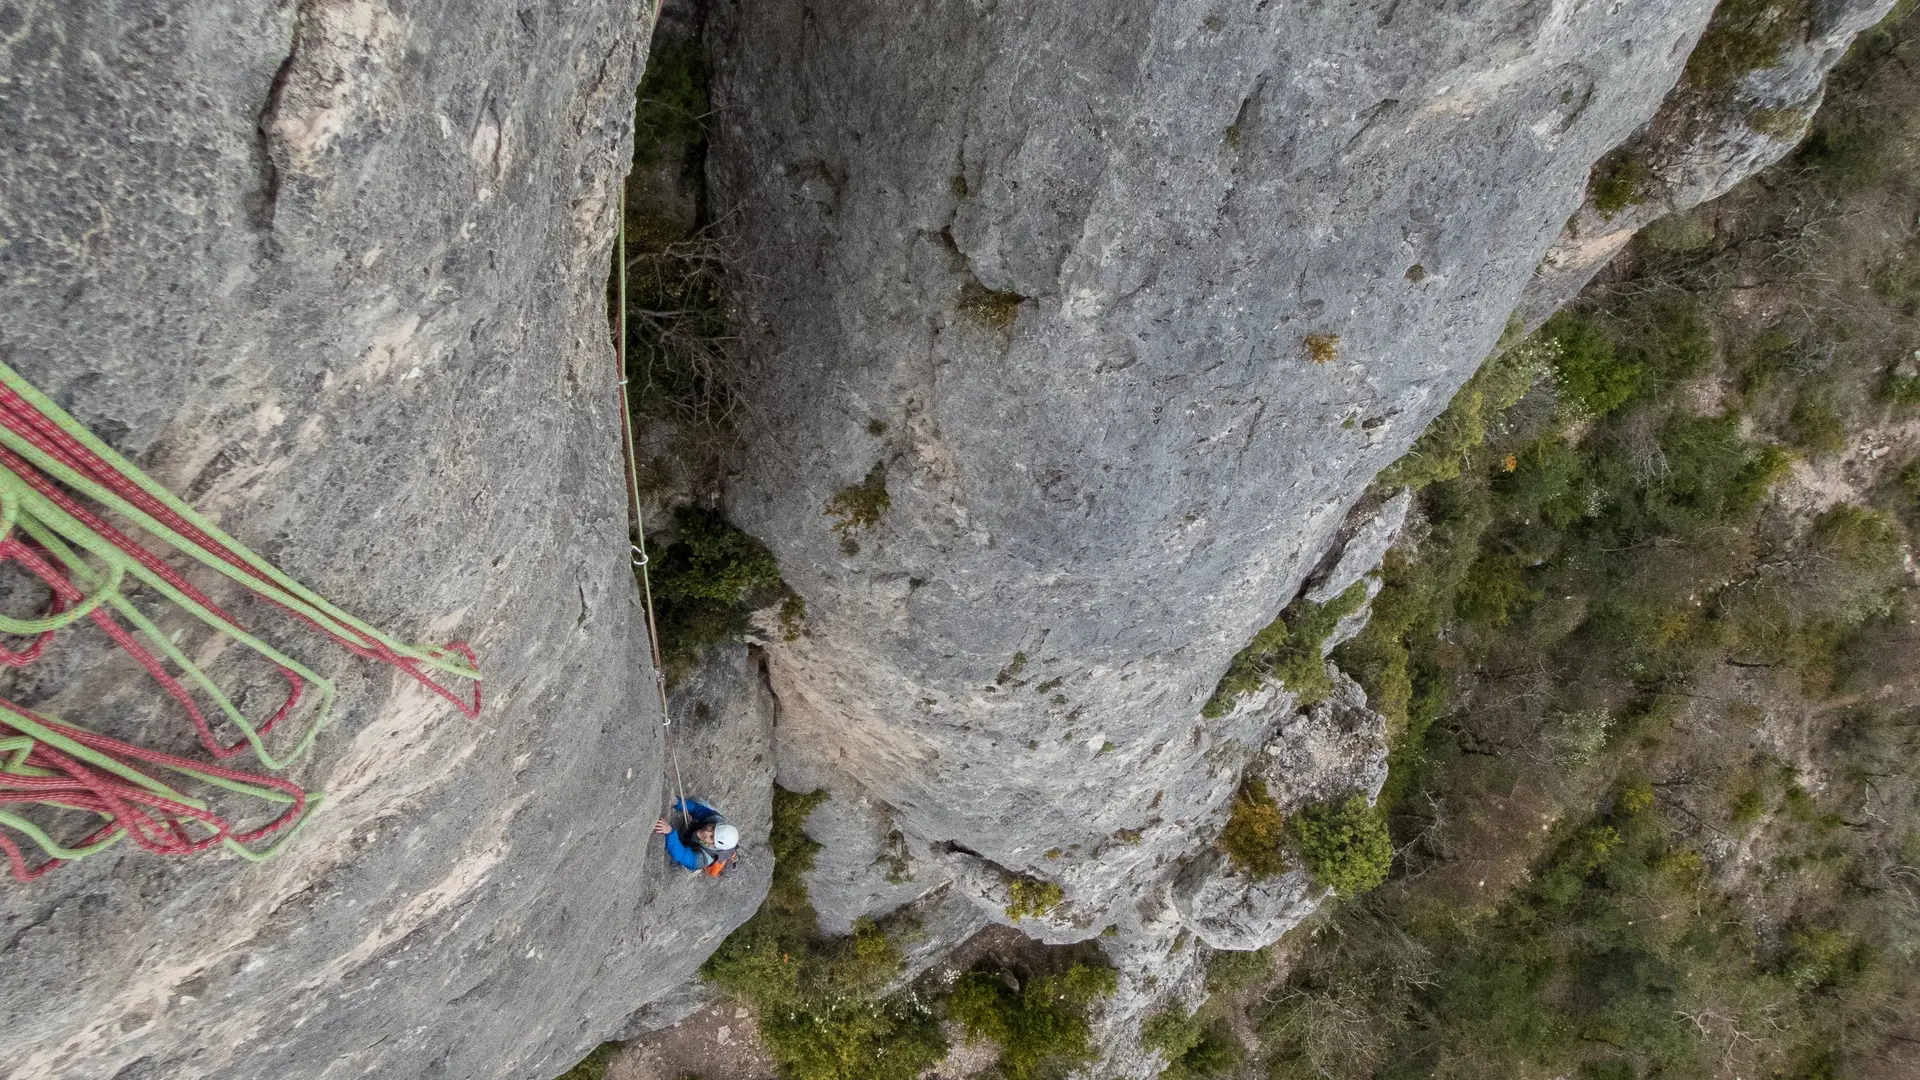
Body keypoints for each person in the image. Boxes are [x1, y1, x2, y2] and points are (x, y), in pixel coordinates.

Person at [653, 796, 739, 875]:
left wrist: (670, 832)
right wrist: (678, 802)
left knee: (678, 858)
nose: (706, 832)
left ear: (713, 845)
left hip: (696, 854)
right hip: (702, 838)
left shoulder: (702, 859)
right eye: (712, 828)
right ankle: (693, 828)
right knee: (700, 803)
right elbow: (695, 808)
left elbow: (681, 854)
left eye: (711, 837)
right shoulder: (716, 819)